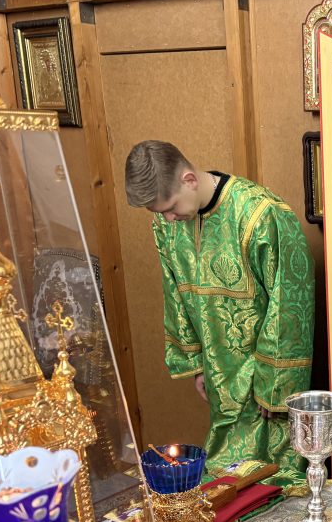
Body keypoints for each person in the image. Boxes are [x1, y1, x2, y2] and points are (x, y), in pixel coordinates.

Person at [124, 140, 313, 478]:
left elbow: (290, 300)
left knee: (274, 478)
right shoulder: (166, 225)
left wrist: (276, 386)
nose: (168, 218)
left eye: (170, 207)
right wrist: (197, 364)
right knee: (225, 481)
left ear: (189, 180)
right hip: (218, 377)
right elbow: (174, 291)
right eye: (159, 213)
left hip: (262, 380)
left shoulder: (260, 213)